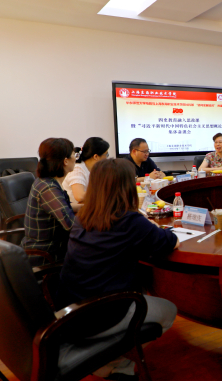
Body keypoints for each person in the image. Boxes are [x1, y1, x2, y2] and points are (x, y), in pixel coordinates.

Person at [57, 158, 179, 379]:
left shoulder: (82, 217)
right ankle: (110, 361)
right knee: (169, 311)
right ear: (126, 187)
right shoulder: (130, 221)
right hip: (102, 313)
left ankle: (105, 360)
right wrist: (150, 225)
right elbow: (172, 241)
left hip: (69, 309)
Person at [22, 138, 77, 264]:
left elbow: (62, 207)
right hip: (47, 256)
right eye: (74, 154)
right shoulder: (49, 189)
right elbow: (71, 225)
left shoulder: (46, 181)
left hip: (49, 248)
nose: (75, 158)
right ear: (65, 161)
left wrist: (84, 207)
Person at [62, 137, 110, 207]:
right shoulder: (78, 169)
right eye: (106, 155)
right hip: (75, 210)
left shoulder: (93, 169)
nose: (107, 158)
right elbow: (80, 196)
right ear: (96, 156)